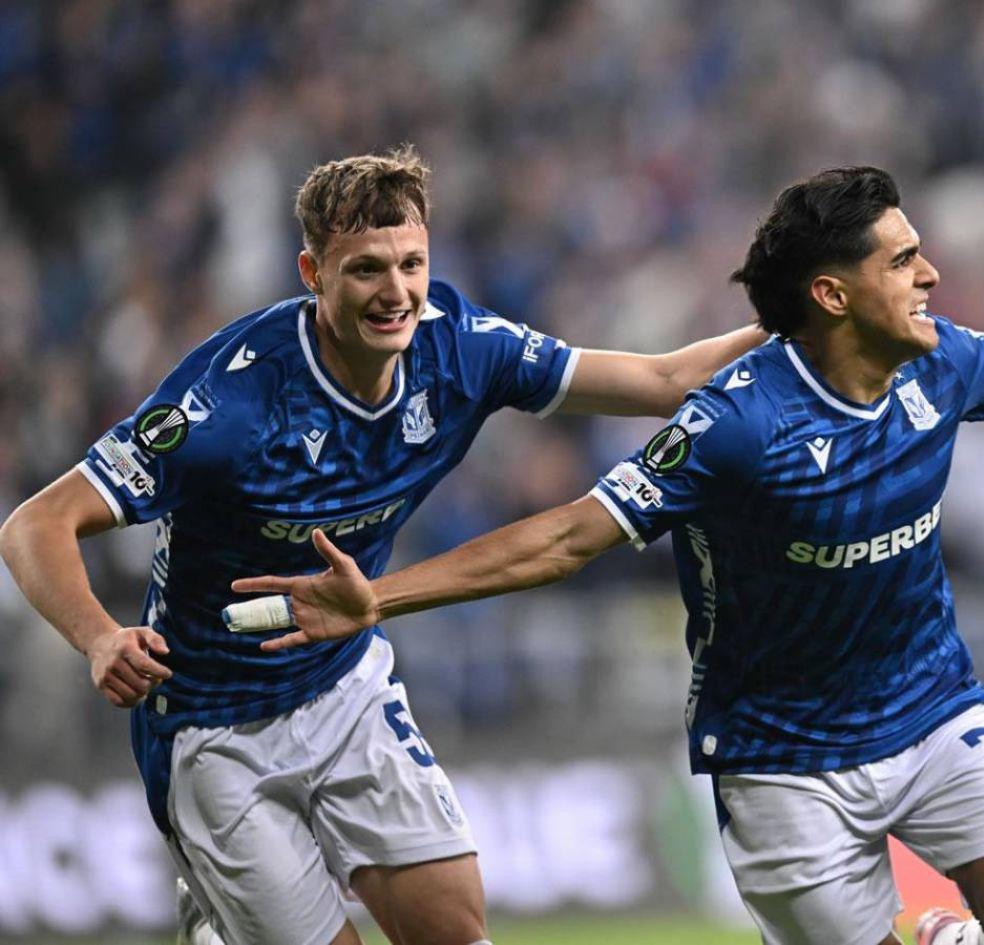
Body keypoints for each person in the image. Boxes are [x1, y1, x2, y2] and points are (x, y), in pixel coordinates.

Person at [232, 166, 984, 945]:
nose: (930, 276)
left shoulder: (942, 364)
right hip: (783, 766)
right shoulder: (735, 425)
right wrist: (380, 597)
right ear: (832, 294)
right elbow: (571, 535)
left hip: (935, 715)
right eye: (903, 261)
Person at [0, 145, 767, 945]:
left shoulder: (461, 348)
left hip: (343, 685)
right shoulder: (229, 404)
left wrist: (799, 322)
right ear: (312, 273)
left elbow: (663, 381)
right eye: (366, 269)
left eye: (411, 264)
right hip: (212, 725)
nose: (396, 292)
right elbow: (34, 524)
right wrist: (98, 636)